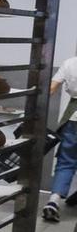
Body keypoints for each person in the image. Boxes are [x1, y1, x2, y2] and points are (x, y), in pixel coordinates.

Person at [42, 55, 77, 222]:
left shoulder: (70, 62)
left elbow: (50, 89)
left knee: (66, 161)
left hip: (72, 119)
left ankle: (53, 202)